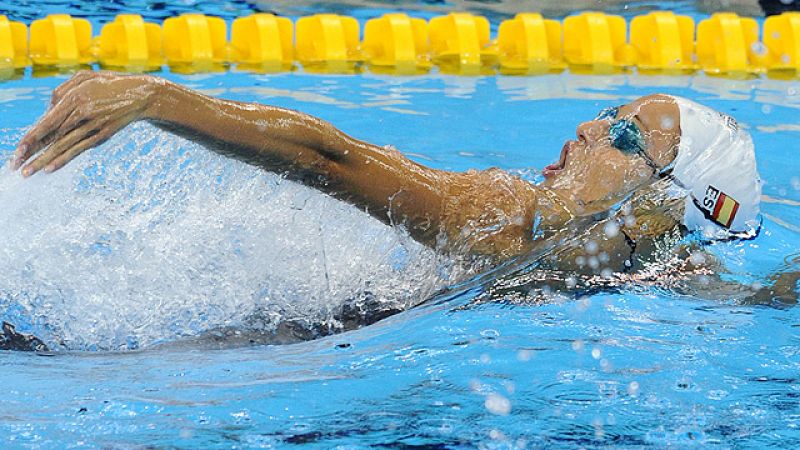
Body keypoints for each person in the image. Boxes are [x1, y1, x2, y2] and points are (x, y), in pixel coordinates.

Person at [4, 71, 796, 349]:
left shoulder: (674, 273)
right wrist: (161, 99)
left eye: (624, 135)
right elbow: (332, 160)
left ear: (664, 203)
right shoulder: (509, 218)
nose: (588, 127)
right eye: (608, 112)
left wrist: (161, 97)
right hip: (292, 339)